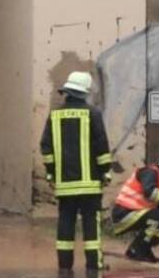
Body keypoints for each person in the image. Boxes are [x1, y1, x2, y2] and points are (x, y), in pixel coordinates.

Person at [40, 71, 113, 277]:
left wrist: (52, 174)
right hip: (90, 185)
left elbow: (46, 147)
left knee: (65, 224)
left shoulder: (54, 115)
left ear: (68, 92)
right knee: (91, 225)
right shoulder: (93, 114)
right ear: (84, 93)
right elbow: (101, 146)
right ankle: (93, 265)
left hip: (64, 185)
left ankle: (64, 266)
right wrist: (105, 172)